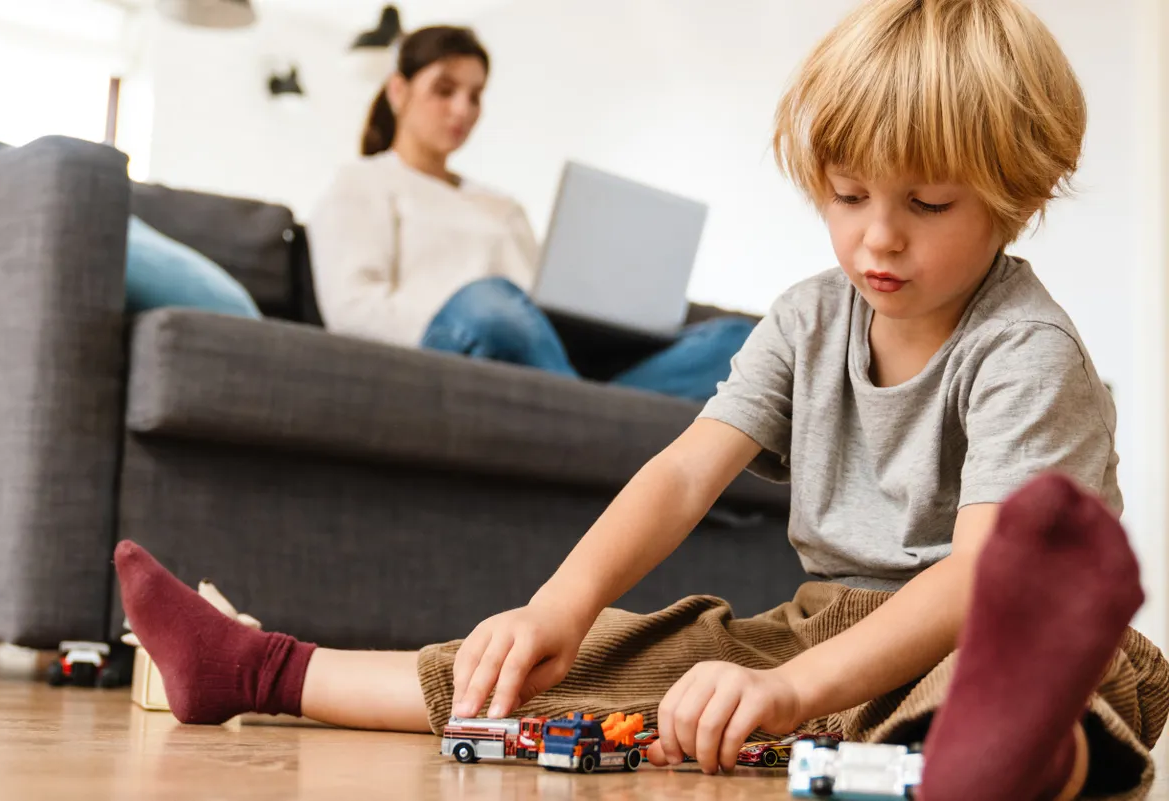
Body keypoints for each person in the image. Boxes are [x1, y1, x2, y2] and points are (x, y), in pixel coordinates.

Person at [112, 1, 1169, 798]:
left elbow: (984, 578)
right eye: (848, 197)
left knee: (983, 691)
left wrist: (793, 698)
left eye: (925, 204)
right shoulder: (809, 316)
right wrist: (558, 609)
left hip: (985, 631)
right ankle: (257, 667)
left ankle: (1014, 751)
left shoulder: (1024, 350)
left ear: (1016, 197)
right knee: (617, 653)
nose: (876, 238)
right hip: (818, 629)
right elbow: (680, 474)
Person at [306, 26, 755, 403]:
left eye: (475, 96)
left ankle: (584, 411)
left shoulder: (502, 206)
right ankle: (596, 415)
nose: (463, 109)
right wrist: (486, 309)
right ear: (398, 91)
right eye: (444, 90)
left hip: (541, 355)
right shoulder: (361, 183)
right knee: (490, 301)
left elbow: (536, 304)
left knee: (741, 344)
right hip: (457, 343)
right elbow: (353, 309)